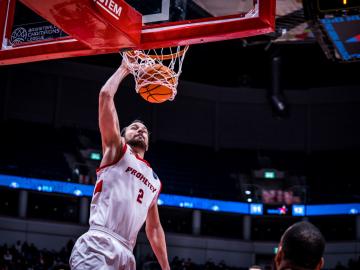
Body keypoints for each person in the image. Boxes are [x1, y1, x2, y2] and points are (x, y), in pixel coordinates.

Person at [70, 61, 170, 270]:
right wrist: (125, 67)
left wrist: (166, 267)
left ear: (149, 144)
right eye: (134, 127)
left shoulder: (154, 181)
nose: (140, 130)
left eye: (144, 130)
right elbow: (105, 96)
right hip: (99, 243)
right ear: (122, 135)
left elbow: (154, 229)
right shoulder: (117, 150)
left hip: (127, 254)